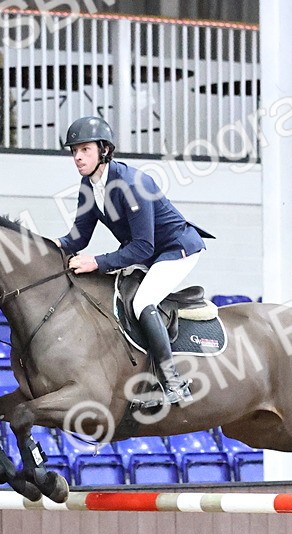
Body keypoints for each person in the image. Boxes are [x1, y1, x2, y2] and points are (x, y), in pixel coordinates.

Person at [57, 115, 212, 405]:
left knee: (142, 302)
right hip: (150, 252)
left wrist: (98, 262)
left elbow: (142, 246)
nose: (77, 157)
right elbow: (77, 239)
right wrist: (47, 247)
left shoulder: (132, 183)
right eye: (74, 151)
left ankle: (174, 383)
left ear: (104, 150)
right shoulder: (89, 186)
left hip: (176, 248)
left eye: (84, 150)